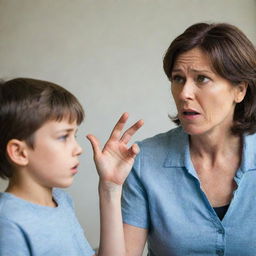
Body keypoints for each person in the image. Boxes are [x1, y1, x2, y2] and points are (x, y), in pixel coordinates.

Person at [89, 22, 256, 255]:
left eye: (202, 79)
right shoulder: (143, 160)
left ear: (240, 90)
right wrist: (110, 189)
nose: (184, 94)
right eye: (178, 79)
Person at [0, 77, 143, 256]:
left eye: (74, 135)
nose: (78, 149)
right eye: (63, 137)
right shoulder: (7, 222)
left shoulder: (61, 202)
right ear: (20, 152)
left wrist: (111, 187)